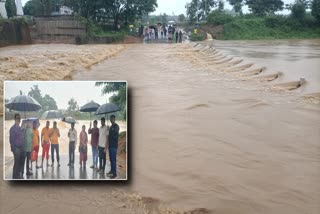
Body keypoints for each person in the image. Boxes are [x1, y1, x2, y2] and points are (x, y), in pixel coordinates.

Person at [9, 114, 25, 179]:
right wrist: (14, 149)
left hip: (21, 147)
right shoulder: (12, 129)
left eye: (19, 118)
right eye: (17, 118)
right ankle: (15, 177)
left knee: (21, 162)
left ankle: (18, 175)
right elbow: (11, 140)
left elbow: (22, 137)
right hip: (16, 149)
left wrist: (24, 130)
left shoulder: (20, 128)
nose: (19, 119)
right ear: (14, 119)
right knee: (17, 163)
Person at [107, 115, 120, 179]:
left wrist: (110, 131)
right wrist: (108, 130)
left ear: (114, 119)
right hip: (110, 145)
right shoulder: (111, 127)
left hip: (114, 146)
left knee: (113, 160)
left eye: (112, 119)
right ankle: (112, 171)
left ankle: (115, 174)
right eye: (110, 119)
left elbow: (115, 136)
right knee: (111, 159)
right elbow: (109, 136)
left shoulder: (116, 127)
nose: (111, 120)